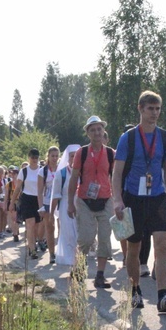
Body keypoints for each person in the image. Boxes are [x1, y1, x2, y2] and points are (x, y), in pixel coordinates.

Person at [111, 91, 166, 313]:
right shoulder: (128, 138)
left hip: (157, 197)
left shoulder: (165, 137)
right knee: (135, 248)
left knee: (162, 244)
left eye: (158, 108)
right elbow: (117, 172)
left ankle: (162, 296)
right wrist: (118, 200)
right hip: (133, 198)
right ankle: (135, 290)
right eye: (150, 108)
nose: (155, 113)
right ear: (140, 109)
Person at [68, 116, 115, 289]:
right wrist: (70, 203)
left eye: (99, 129)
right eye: (93, 129)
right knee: (86, 239)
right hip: (85, 201)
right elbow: (74, 178)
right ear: (88, 133)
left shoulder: (111, 153)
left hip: (106, 199)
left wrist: (118, 201)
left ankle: (100, 276)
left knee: (104, 238)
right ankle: (79, 269)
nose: (97, 132)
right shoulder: (82, 153)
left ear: (103, 131)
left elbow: (115, 178)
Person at [51, 144, 81, 266]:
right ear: (67, 158)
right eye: (72, 156)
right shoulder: (61, 174)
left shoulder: (84, 172)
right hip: (65, 206)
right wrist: (50, 214)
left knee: (80, 234)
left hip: (81, 205)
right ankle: (72, 263)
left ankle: (79, 259)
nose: (74, 158)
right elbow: (56, 194)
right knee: (69, 233)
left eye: (76, 156)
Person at [12, 149, 44, 259]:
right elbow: (17, 188)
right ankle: (32, 249)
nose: (34, 159)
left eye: (36, 157)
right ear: (29, 158)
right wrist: (12, 202)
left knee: (37, 226)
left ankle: (34, 243)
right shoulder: (24, 171)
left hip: (39, 199)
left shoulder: (42, 170)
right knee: (30, 224)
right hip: (27, 199)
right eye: (32, 157)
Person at [38, 146, 60, 263]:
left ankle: (63, 251)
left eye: (56, 156)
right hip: (47, 202)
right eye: (52, 156)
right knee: (50, 228)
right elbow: (39, 191)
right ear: (48, 156)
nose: (54, 158)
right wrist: (41, 206)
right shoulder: (43, 171)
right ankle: (52, 254)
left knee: (62, 226)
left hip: (60, 201)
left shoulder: (62, 168)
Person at [4, 166, 20, 242]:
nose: (13, 175)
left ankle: (16, 230)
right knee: (14, 219)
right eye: (12, 173)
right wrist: (5, 204)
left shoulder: (22, 183)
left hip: (20, 202)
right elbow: (6, 196)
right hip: (12, 202)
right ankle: (15, 234)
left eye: (15, 173)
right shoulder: (8, 185)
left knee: (18, 219)